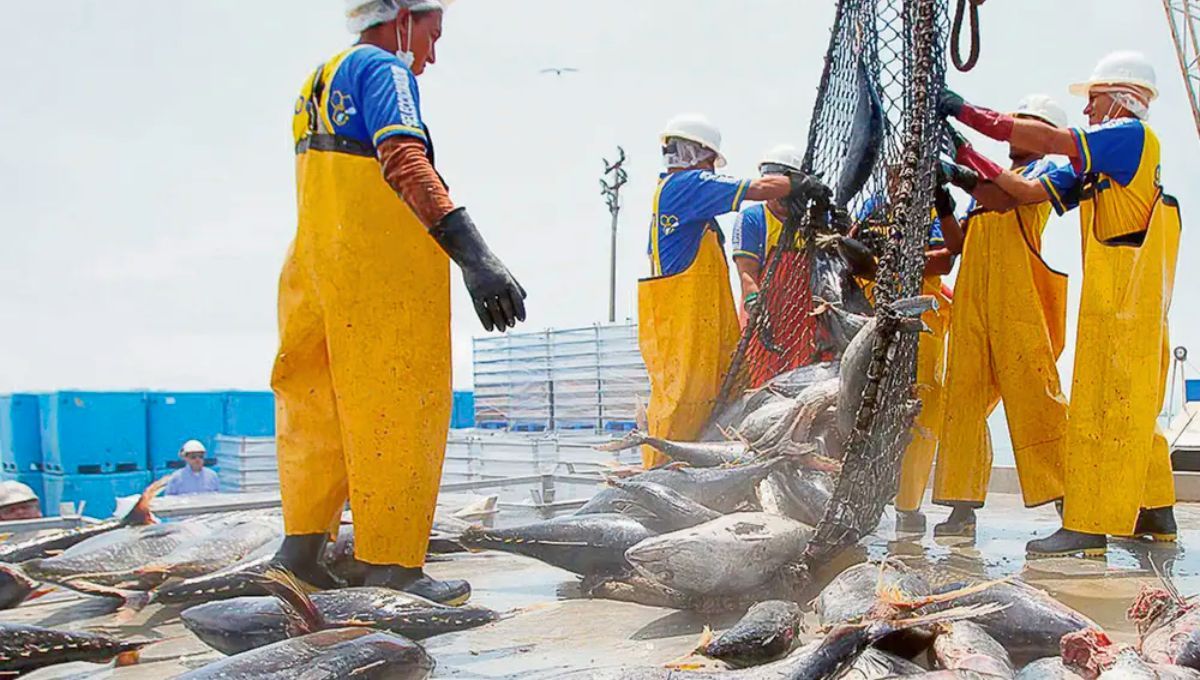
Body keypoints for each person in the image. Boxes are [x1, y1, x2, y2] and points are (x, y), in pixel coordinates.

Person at [271, 0, 526, 603]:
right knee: (398, 405)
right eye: (432, 36)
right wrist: (476, 257)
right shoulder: (386, 70)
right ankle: (389, 564)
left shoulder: (319, 78)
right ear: (402, 17)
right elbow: (404, 159)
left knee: (316, 402)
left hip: (313, 267)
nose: (431, 53)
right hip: (378, 272)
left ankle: (301, 552)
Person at [940, 50, 1181, 557]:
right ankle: (1156, 511)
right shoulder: (1102, 160)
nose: (1088, 112)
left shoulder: (1127, 135)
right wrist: (962, 159)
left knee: (1100, 406)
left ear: (1120, 98)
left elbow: (1050, 141)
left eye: (1092, 100)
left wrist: (965, 112)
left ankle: (1087, 529)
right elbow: (1020, 194)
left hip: (1122, 302)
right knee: (1133, 406)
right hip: (1126, 299)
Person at [640, 114, 829, 469]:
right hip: (684, 327)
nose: (712, 169)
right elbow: (755, 189)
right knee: (681, 403)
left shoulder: (684, 201)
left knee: (710, 404)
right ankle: (656, 480)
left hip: (696, 325)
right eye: (710, 160)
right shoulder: (687, 185)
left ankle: (688, 476)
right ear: (694, 153)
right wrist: (798, 185)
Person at [930, 96, 1071, 537]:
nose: (1014, 129)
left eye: (1023, 124)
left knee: (1035, 396)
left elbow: (1008, 196)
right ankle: (961, 506)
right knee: (962, 398)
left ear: (1043, 133)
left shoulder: (1044, 173)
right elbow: (960, 243)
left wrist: (960, 162)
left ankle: (1071, 502)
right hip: (974, 304)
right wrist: (945, 197)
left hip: (1019, 306)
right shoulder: (987, 191)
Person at [888, 184, 961, 533]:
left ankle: (908, 506)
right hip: (877, 318)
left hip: (923, 327)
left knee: (922, 408)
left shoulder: (932, 212)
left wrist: (892, 262)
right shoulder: (874, 207)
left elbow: (944, 261)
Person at [731, 144, 806, 325]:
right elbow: (747, 271)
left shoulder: (813, 220)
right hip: (763, 316)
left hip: (805, 318)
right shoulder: (753, 218)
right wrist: (754, 303)